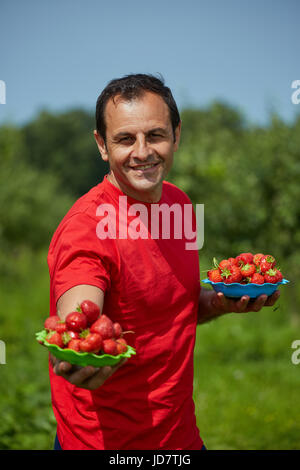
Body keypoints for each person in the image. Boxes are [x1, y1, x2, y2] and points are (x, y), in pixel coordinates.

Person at [48, 73, 280, 450]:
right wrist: (76, 351)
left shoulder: (179, 205)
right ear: (101, 145)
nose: (142, 152)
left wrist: (222, 301)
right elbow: (79, 314)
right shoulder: (86, 228)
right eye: (125, 139)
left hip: (180, 436)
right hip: (103, 444)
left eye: (155, 135)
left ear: (176, 135)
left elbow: (176, 307)